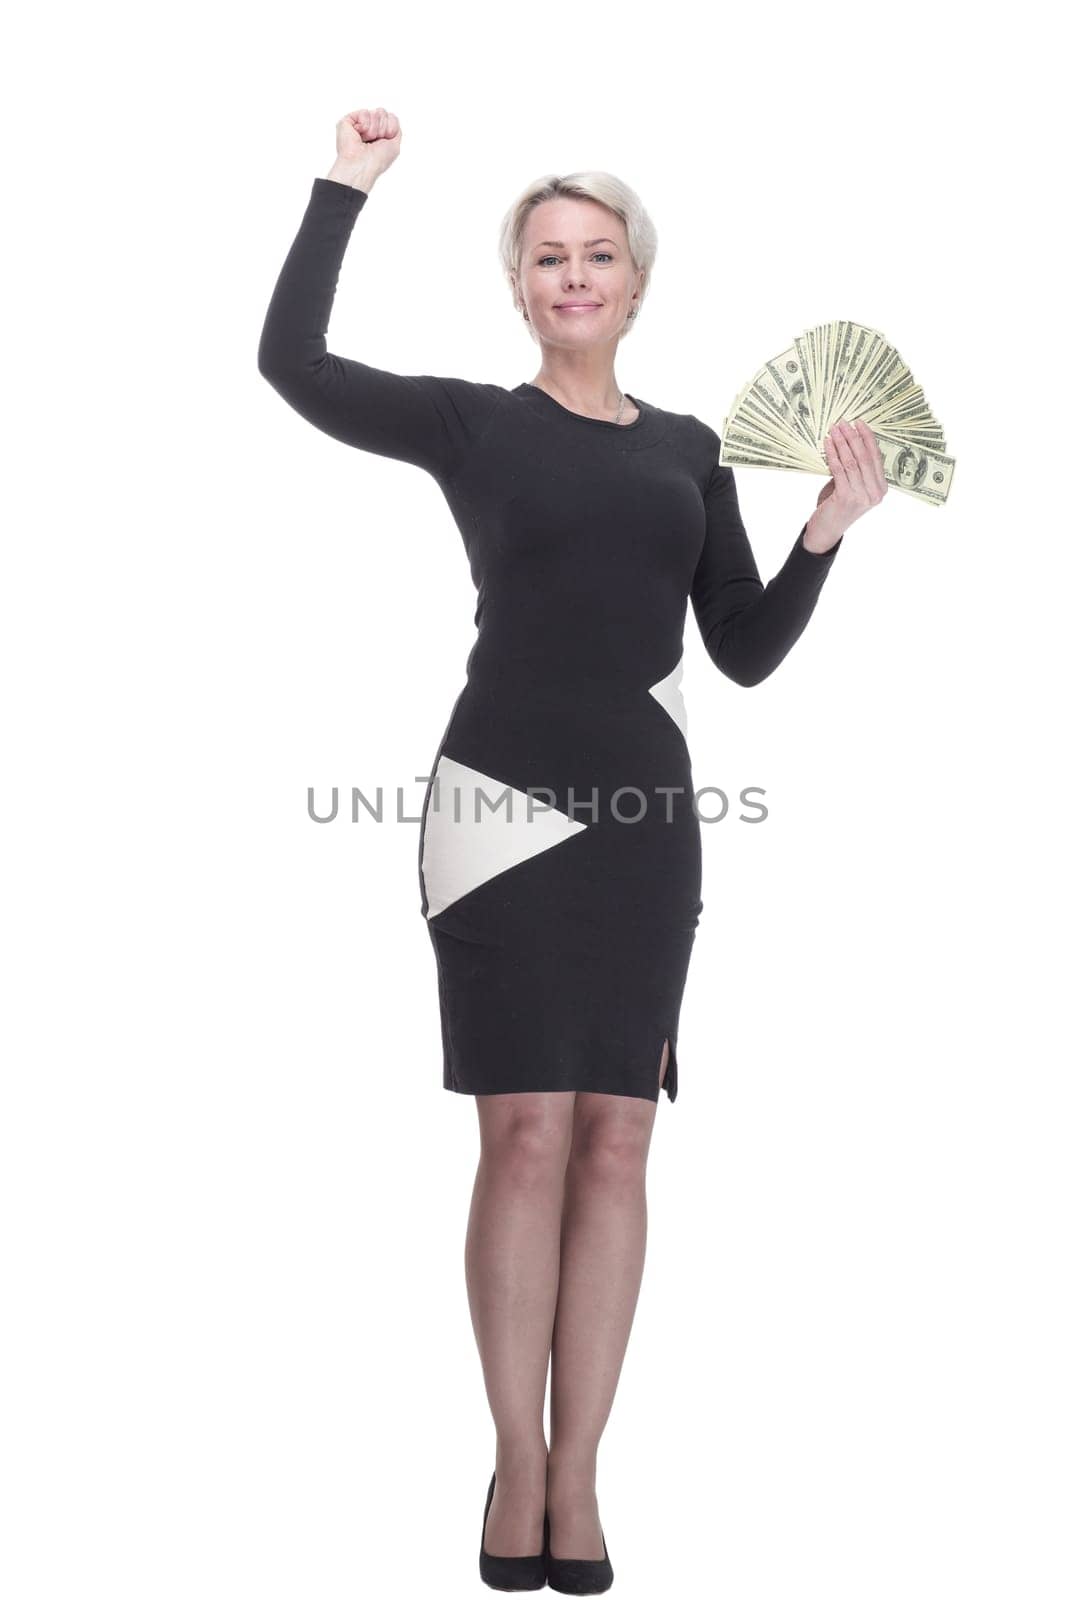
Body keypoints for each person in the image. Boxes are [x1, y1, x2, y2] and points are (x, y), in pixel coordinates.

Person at [257, 106, 887, 1594]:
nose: (576, 273)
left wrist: (824, 537)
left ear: (636, 279)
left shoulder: (687, 448)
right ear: (520, 285)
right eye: (550, 255)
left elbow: (736, 654)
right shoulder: (476, 422)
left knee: (619, 1138)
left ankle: (585, 1471)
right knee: (522, 1134)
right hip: (498, 806)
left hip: (644, 823)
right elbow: (293, 366)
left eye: (599, 252)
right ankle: (515, 1460)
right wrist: (343, 191)